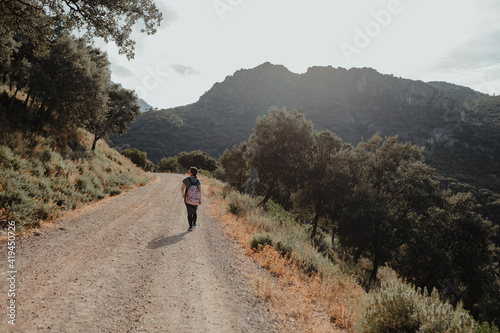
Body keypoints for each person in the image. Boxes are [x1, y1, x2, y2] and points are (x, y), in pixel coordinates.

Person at [181, 167, 202, 231]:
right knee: (194, 211)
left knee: (189, 212)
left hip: (187, 199)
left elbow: (182, 188)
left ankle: (190, 227)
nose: (188, 171)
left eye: (189, 170)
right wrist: (200, 199)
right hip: (195, 199)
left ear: (191, 172)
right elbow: (200, 191)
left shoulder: (186, 180)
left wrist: (183, 194)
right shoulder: (198, 181)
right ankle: (194, 223)